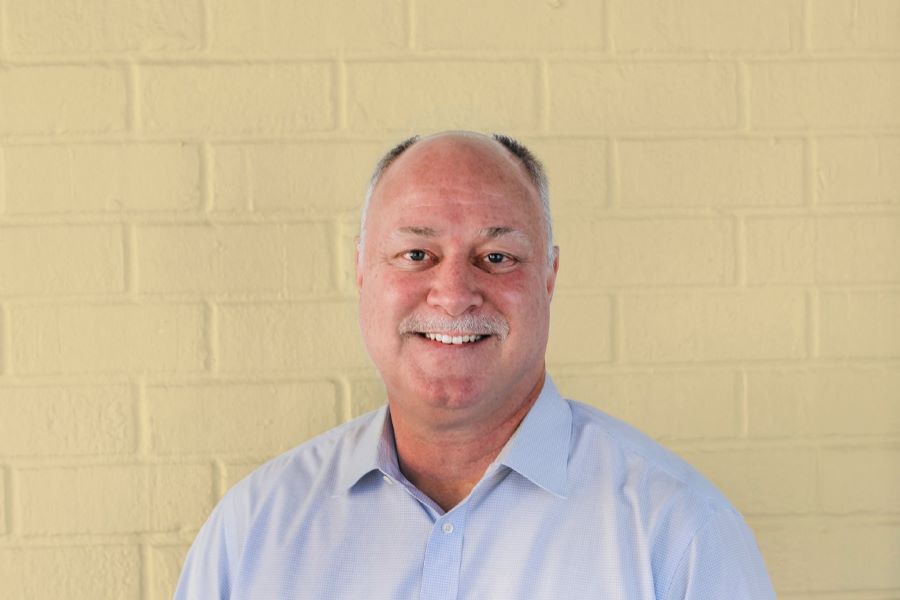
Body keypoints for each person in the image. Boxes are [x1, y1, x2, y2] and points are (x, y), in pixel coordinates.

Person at [174, 131, 775, 599]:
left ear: (549, 276)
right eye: (417, 254)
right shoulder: (252, 534)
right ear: (361, 271)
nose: (455, 294)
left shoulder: (678, 532)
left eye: (497, 256)